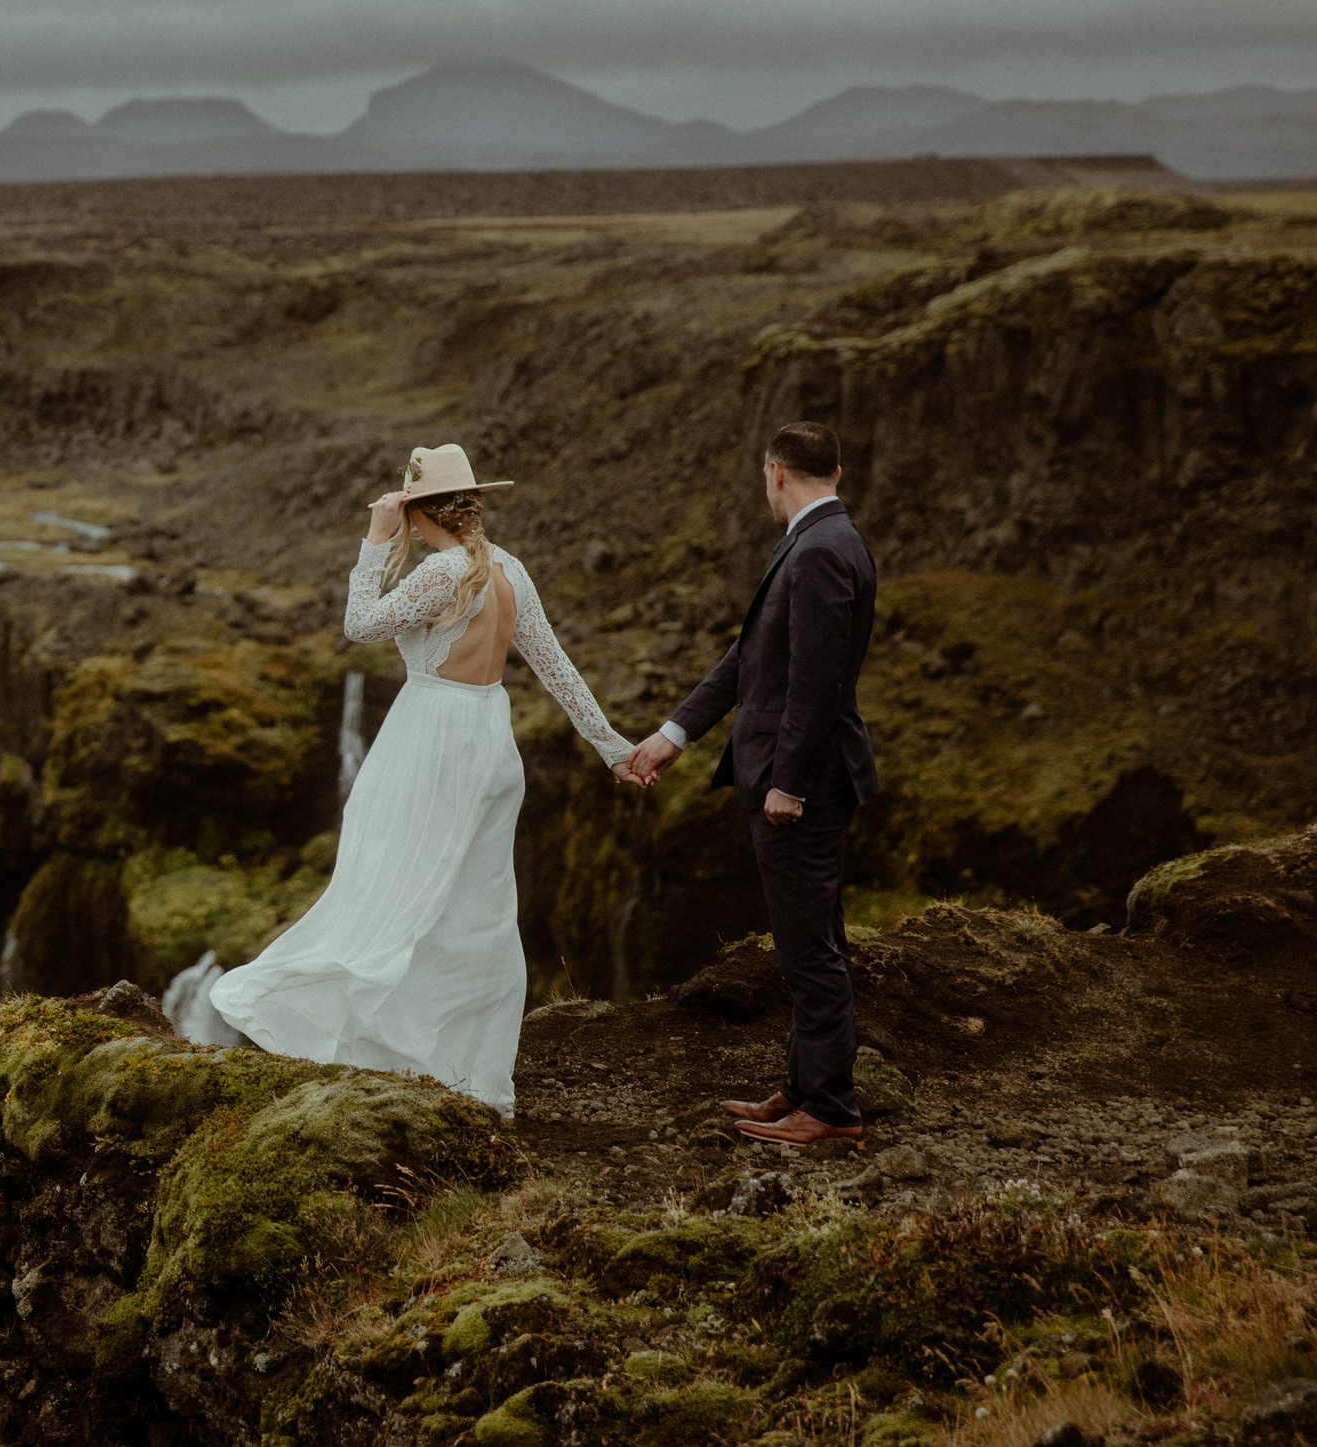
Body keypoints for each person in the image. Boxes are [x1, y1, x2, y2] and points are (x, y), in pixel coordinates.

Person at [208, 443, 635, 1118]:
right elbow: (557, 669)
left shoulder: (439, 575)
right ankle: (471, 1074)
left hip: (429, 740)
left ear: (415, 511)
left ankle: (386, 1045)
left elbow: (358, 626)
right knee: (475, 911)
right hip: (490, 741)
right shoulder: (510, 571)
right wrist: (612, 747)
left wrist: (374, 543)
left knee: (388, 884)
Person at [622, 422, 878, 1145]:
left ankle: (829, 1109)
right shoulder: (817, 539)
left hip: (804, 786)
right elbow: (751, 658)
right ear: (837, 468)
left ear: (774, 472)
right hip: (793, 775)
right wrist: (676, 735)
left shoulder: (823, 549)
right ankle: (804, 1087)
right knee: (806, 937)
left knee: (809, 946)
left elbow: (816, 684)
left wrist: (789, 784)